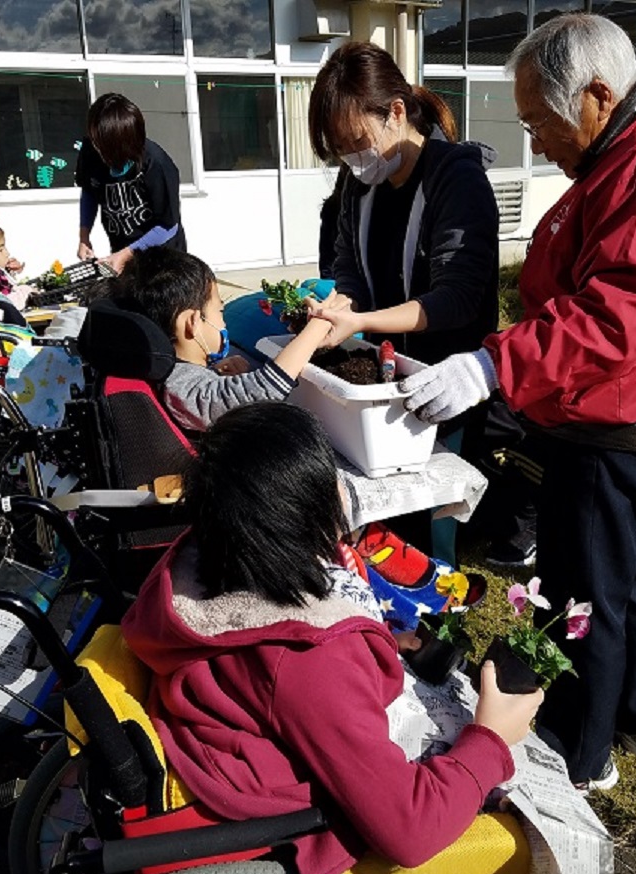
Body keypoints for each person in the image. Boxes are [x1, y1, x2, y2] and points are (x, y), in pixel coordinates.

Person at [398, 13, 636, 790]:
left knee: (576, 589)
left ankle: (578, 749)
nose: (537, 143)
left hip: (620, 413)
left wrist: (492, 366)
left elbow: (613, 313)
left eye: (540, 122)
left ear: (596, 95)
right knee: (625, 572)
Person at [120, 402, 543, 874]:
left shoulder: (199, 563)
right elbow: (411, 832)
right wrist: (490, 737)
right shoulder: (306, 659)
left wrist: (371, 640)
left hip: (232, 762)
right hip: (282, 839)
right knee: (511, 850)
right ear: (313, 511)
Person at [306, 42, 500, 565]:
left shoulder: (455, 179)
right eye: (340, 150)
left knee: (429, 522)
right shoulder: (359, 185)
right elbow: (348, 268)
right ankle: (390, 623)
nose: (352, 159)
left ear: (395, 112)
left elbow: (456, 298)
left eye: (357, 143)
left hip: (445, 380)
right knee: (381, 518)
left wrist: (360, 320)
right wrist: (336, 310)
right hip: (383, 379)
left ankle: (435, 625)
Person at [113, 246, 333, 433]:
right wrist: (319, 323)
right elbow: (264, 387)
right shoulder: (181, 387)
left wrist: (215, 373)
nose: (224, 323)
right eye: (220, 312)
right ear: (192, 323)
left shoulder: (168, 372)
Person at [75, 93, 186, 274]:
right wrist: (84, 237)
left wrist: (126, 254)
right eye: (96, 143)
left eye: (105, 147)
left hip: (164, 259)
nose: (99, 151)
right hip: (122, 252)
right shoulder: (90, 150)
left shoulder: (156, 163)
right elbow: (89, 191)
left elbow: (168, 226)